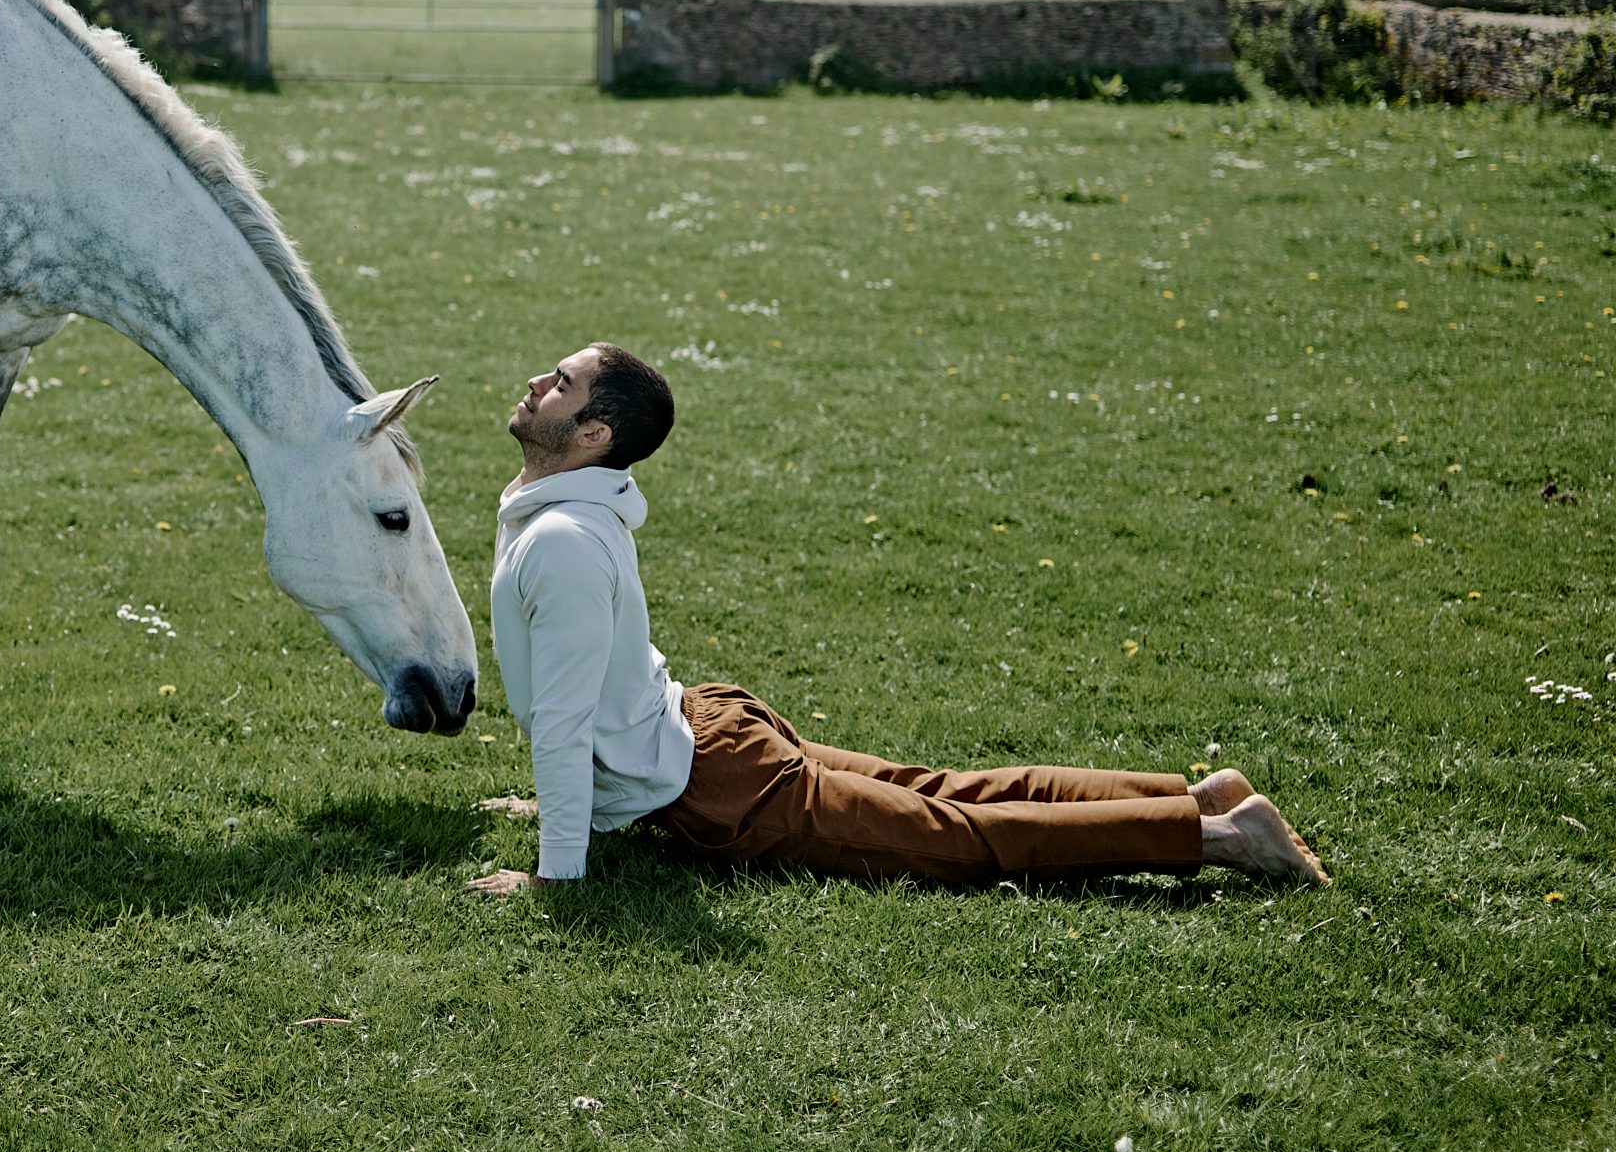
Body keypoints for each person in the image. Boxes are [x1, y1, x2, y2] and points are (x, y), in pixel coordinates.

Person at [466, 343, 1329, 897]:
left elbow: (570, 717)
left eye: (562, 383)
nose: (539, 380)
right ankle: (1192, 797)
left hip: (718, 781)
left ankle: (1216, 834)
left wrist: (557, 874)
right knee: (943, 793)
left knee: (957, 837)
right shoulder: (562, 510)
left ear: (591, 434)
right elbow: (583, 701)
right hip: (703, 730)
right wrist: (566, 803)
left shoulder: (564, 541)